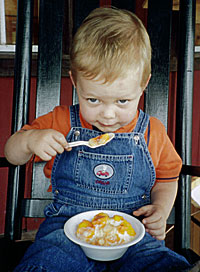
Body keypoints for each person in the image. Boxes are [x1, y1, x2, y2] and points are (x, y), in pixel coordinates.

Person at [5, 7, 192, 272]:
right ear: (75, 83)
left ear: (143, 85)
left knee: (158, 262)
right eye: (93, 99)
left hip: (131, 231)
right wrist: (28, 141)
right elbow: (12, 154)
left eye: (122, 101)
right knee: (48, 259)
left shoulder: (152, 131)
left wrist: (160, 209)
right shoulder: (60, 122)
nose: (107, 114)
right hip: (67, 230)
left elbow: (167, 177)